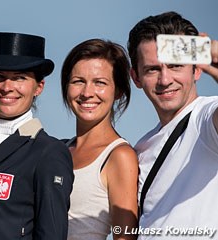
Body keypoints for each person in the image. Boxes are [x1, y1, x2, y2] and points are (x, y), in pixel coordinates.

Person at [0, 32, 74, 240]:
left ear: (39, 86)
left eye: (20, 78)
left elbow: (52, 233)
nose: (7, 87)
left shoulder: (48, 151)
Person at [127, 11, 218, 239]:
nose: (165, 79)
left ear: (196, 69)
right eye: (152, 69)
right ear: (136, 77)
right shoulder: (141, 146)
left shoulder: (206, 119)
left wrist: (211, 51)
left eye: (176, 65)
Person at [61, 39, 139, 240]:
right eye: (78, 81)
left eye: (100, 83)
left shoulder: (119, 156)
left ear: (119, 91)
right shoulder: (59, 149)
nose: (87, 93)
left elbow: (125, 236)